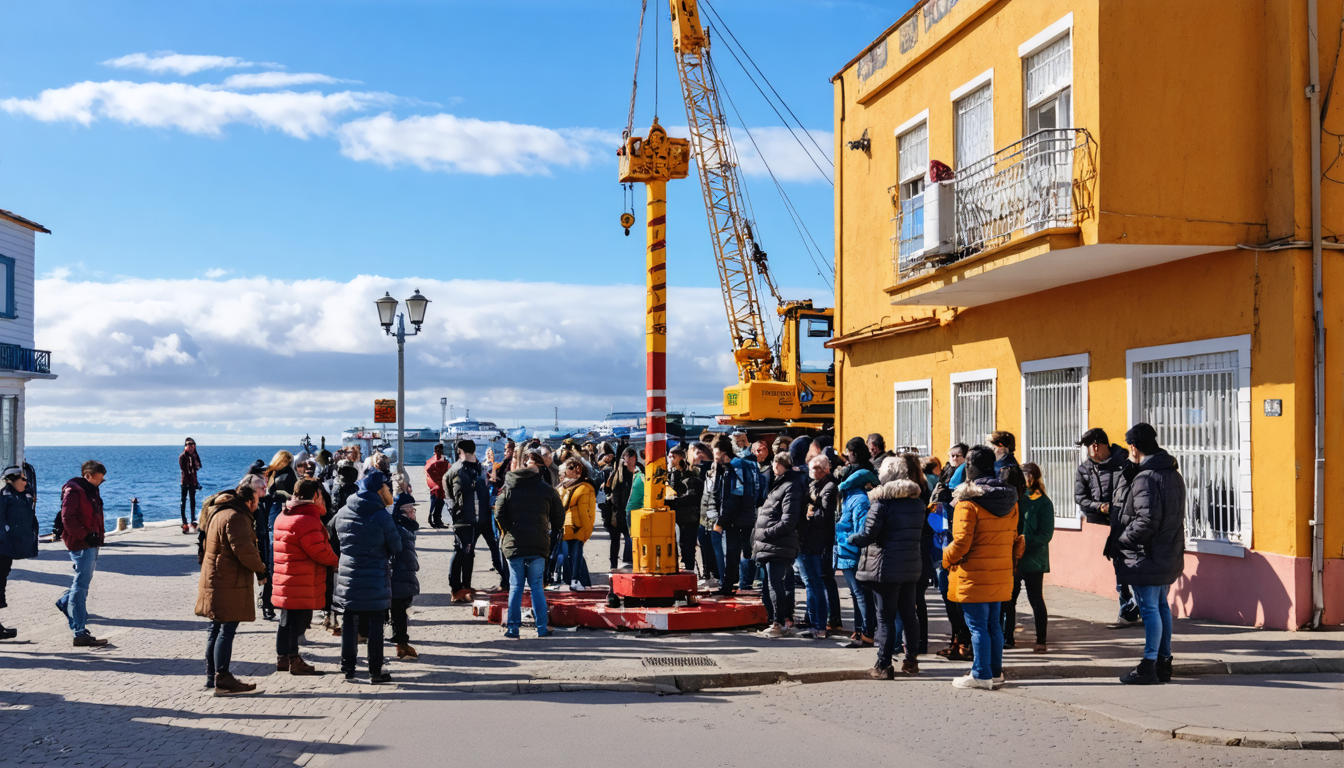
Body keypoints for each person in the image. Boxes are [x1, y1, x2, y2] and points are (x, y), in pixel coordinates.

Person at [1111, 423, 1186, 685]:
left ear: (1133, 447)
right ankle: (1164, 662)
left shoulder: (1146, 477)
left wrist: (1121, 541)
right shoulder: (1172, 473)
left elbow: (1145, 521)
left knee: (1150, 609)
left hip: (1146, 554)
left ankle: (1148, 665)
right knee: (1162, 606)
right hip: (1167, 552)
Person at [944, 447, 1024, 690]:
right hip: (1000, 572)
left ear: (970, 467)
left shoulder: (967, 504)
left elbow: (961, 543)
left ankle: (980, 673)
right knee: (993, 625)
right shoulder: (1010, 501)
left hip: (973, 574)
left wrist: (945, 558)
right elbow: (1014, 538)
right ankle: (995, 671)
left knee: (978, 626)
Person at [852, 455, 926, 678]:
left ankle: (883, 664)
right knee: (908, 614)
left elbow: (868, 535)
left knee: (884, 617)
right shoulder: (917, 502)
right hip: (910, 565)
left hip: (885, 567)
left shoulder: (881, 503)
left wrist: (851, 538)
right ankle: (911, 660)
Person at [195, 486, 268, 695]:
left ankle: (212, 677)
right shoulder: (236, 517)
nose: (257, 506)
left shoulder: (219, 511)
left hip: (216, 578)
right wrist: (261, 570)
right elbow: (244, 550)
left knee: (215, 629)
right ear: (248, 502)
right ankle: (223, 678)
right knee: (226, 630)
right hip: (228, 581)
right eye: (256, 501)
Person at [332, 470, 402, 684]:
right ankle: (375, 671)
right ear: (378, 489)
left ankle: (348, 668)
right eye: (387, 487)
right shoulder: (381, 515)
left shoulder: (343, 511)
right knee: (374, 624)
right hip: (374, 578)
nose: (389, 490)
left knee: (349, 622)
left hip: (348, 577)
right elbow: (397, 546)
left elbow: (331, 537)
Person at [271, 479, 338, 676]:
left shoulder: (283, 515)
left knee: (286, 619)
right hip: (301, 579)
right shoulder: (307, 520)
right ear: (315, 495)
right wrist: (335, 560)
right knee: (298, 620)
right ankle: (294, 659)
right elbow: (319, 551)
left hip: (286, 577)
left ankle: (282, 658)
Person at [495, 451, 565, 639]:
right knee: (536, 586)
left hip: (514, 543)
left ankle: (513, 628)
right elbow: (559, 518)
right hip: (538, 543)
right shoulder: (546, 489)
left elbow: (498, 512)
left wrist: (509, 529)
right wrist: (550, 529)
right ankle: (542, 627)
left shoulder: (509, 487)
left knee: (516, 586)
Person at [1075, 428, 1142, 626]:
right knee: (1119, 565)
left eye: (1087, 446)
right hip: (1110, 522)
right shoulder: (1085, 469)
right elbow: (1080, 498)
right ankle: (1127, 609)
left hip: (1130, 523)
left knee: (1132, 565)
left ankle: (1136, 608)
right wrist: (1099, 506)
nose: (1087, 451)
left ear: (1095, 446)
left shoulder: (1125, 462)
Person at [56, 460, 108, 647]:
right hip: (81, 543)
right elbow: (67, 518)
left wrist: (97, 536)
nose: (101, 482)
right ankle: (79, 632)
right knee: (81, 586)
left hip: (92, 541)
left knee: (81, 583)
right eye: (98, 479)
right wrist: (86, 535)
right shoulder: (74, 491)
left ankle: (64, 602)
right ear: (88, 476)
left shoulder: (90, 490)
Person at [753, 451, 804, 638]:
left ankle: (779, 622)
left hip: (778, 543)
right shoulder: (778, 484)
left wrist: (766, 533)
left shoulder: (790, 486)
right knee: (768, 585)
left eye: (776, 462)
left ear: (782, 464)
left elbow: (788, 520)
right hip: (770, 544)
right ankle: (775, 620)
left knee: (776, 584)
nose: (773, 466)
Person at [835, 438, 877, 648]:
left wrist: (843, 537)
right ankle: (859, 630)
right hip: (846, 550)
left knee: (861, 594)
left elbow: (861, 530)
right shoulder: (850, 497)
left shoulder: (858, 499)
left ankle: (867, 633)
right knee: (855, 593)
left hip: (853, 551)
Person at [932, 443, 973, 660]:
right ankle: (958, 640)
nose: (954, 459)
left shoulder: (966, 502)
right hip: (944, 547)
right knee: (949, 599)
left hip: (954, 553)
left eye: (958, 456)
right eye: (952, 456)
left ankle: (963, 642)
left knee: (958, 602)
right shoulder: (947, 475)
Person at [1009, 462, 1054, 653]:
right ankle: (1007, 637)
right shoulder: (1016, 499)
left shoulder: (1043, 502)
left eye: (1024, 475)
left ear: (1032, 477)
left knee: (1035, 598)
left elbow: (1046, 534)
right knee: (1009, 599)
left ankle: (1041, 639)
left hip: (1034, 559)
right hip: (1013, 557)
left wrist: (1025, 542)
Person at [701, 435, 753, 597]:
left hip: (737, 520)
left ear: (724, 453)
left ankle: (732, 585)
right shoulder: (733, 468)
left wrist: (721, 521)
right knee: (735, 554)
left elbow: (733, 498)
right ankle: (730, 584)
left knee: (734, 554)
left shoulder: (735, 468)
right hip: (738, 518)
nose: (714, 457)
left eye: (716, 453)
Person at [446, 440, 491, 602]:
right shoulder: (458, 469)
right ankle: (457, 589)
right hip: (464, 518)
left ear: (460, 451)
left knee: (468, 553)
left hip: (475, 518)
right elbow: (454, 493)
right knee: (460, 552)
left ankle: (465, 585)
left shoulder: (475, 467)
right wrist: (456, 511)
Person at [797, 454, 836, 639]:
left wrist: (810, 512)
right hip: (811, 540)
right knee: (811, 582)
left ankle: (819, 625)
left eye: (814, 468)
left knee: (814, 583)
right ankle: (814, 622)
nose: (810, 472)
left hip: (816, 541)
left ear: (825, 469)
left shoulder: (828, 487)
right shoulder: (813, 485)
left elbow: (825, 516)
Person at [0, 465, 38, 639]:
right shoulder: (4, 497)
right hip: (2, 548)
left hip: (7, 550)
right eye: (23, 478)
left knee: (1, 585)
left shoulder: (21, 496)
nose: (26, 481)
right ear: (12, 480)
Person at [261, 450, 298, 621]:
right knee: (275, 560)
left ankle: (268, 601)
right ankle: (270, 601)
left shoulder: (275, 473)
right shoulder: (282, 474)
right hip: (275, 513)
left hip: (272, 513)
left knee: (272, 560)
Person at [390, 492, 420, 659]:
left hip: (402, 572)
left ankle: (400, 639)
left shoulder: (405, 526)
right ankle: (401, 642)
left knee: (399, 609)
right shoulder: (401, 528)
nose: (413, 513)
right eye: (411, 509)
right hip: (400, 573)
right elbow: (405, 554)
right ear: (403, 511)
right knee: (399, 608)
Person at [557, 457, 596, 588]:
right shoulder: (579, 488)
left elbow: (585, 512)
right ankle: (576, 580)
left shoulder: (565, 488)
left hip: (569, 526)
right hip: (572, 526)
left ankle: (573, 580)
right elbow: (586, 513)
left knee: (570, 556)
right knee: (574, 555)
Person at [666, 446, 703, 575]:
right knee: (681, 543)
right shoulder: (672, 473)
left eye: (673, 456)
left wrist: (674, 501)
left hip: (689, 514)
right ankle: (686, 567)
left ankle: (690, 570)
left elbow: (691, 495)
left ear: (681, 457)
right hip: (678, 515)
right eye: (669, 456)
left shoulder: (690, 473)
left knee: (688, 544)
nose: (671, 459)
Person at [604, 448, 640, 570]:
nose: (630, 460)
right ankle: (613, 565)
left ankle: (628, 563)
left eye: (632, 457)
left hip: (632, 512)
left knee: (630, 538)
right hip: (616, 512)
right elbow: (608, 490)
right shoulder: (617, 473)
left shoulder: (639, 472)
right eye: (627, 457)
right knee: (615, 540)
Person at [179, 438, 203, 534]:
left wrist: (195, 459)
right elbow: (186, 470)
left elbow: (199, 466)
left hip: (193, 481)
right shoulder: (182, 457)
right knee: (183, 501)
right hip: (185, 481)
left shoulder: (194, 455)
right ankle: (184, 523)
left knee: (193, 501)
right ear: (185, 446)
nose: (191, 447)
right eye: (189, 445)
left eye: (192, 446)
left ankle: (193, 521)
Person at [425, 444, 450, 529]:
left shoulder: (435, 460)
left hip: (437, 485)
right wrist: (435, 480)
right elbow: (428, 470)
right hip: (437, 485)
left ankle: (436, 520)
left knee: (438, 503)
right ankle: (435, 520)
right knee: (437, 503)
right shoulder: (437, 460)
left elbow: (428, 470)